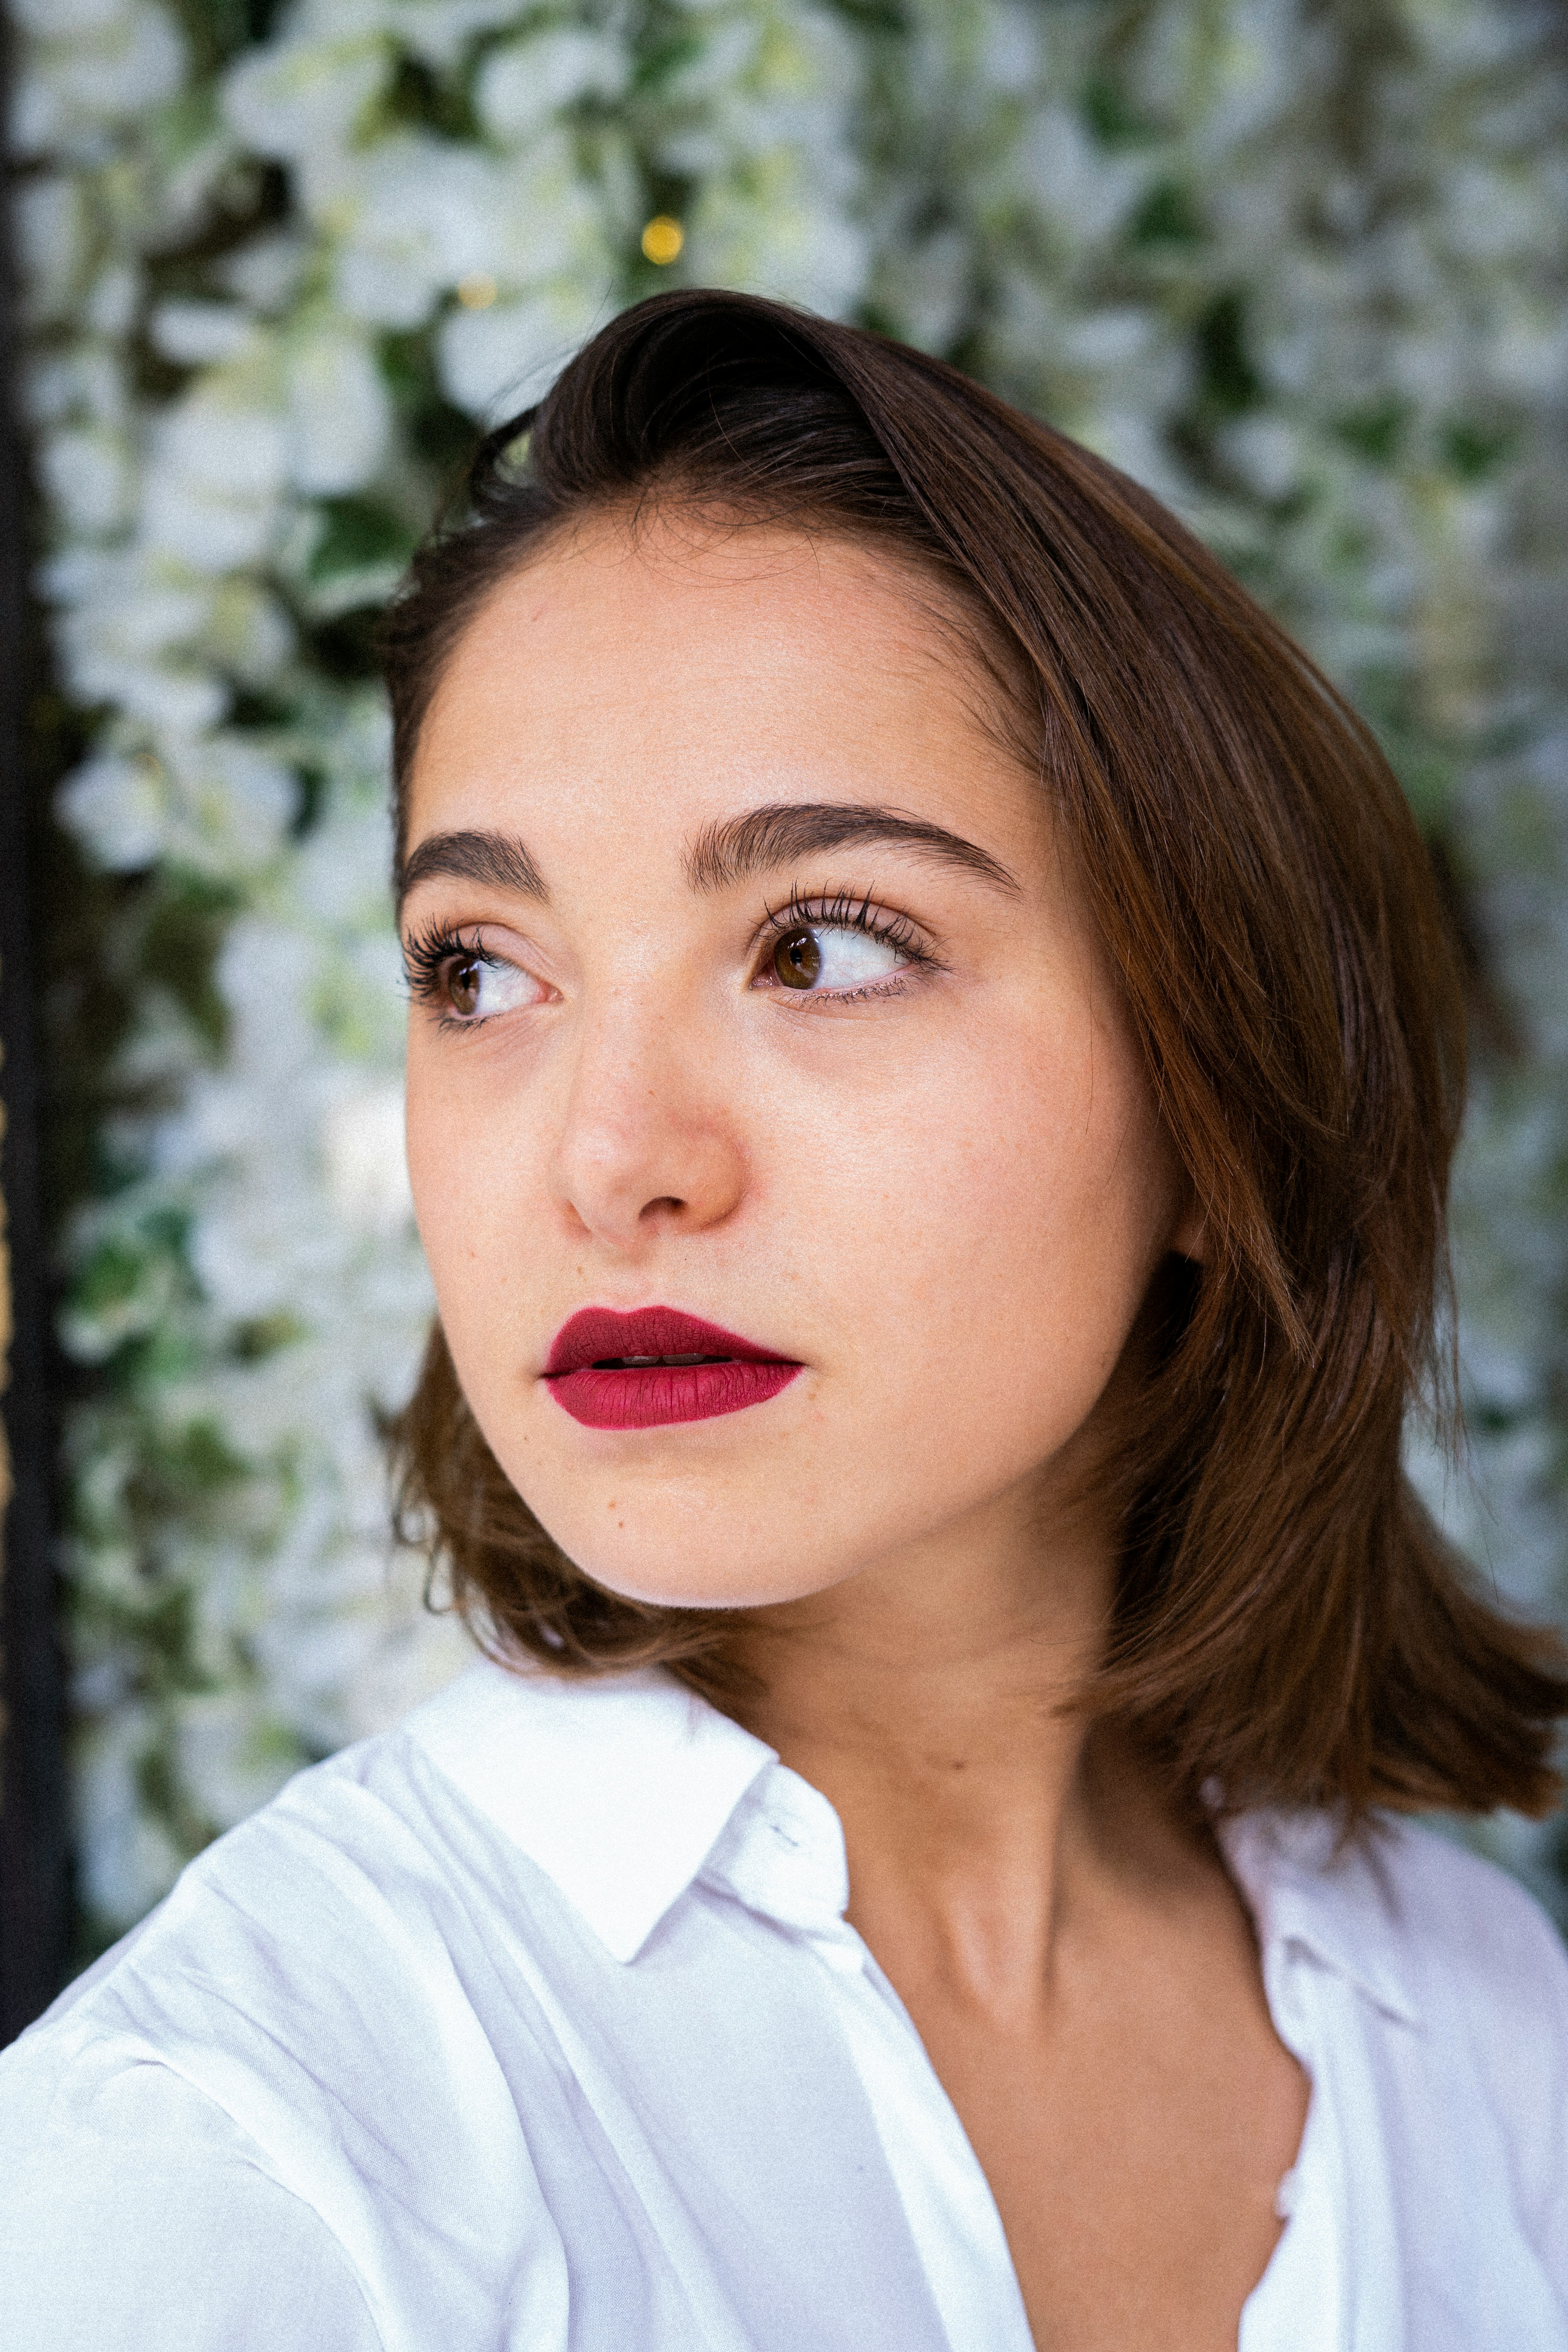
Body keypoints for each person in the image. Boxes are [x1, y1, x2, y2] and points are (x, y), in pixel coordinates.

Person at [3, 289, 1566, 2352]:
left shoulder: (1488, 2026)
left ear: (1214, 1092)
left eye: (820, 945)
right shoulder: (235, 2166)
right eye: (477, 968)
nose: (612, 1156)